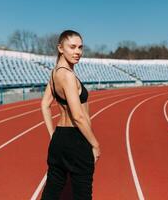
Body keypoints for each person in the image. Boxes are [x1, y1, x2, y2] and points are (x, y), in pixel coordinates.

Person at [40, 30, 100, 200]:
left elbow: (44, 105)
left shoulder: (55, 73)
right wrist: (95, 144)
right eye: (72, 47)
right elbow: (78, 116)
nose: (78, 52)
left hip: (59, 139)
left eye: (80, 47)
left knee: (52, 190)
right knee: (82, 194)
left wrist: (53, 134)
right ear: (60, 48)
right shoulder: (67, 75)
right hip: (76, 140)